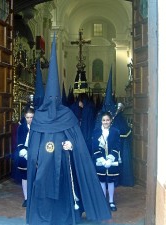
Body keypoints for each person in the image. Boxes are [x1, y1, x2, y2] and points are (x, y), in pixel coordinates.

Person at [26, 34, 111, 225]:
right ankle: (43, 217)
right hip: (44, 166)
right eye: (51, 99)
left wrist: (70, 144)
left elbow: (77, 141)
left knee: (64, 190)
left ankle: (65, 216)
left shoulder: (67, 115)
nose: (54, 103)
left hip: (64, 164)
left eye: (56, 99)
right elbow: (33, 146)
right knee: (43, 190)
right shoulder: (39, 116)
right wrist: (36, 158)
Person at [92, 112, 121, 212]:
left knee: (111, 181)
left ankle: (111, 201)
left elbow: (117, 146)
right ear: (101, 121)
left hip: (111, 161)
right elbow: (95, 147)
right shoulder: (96, 132)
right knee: (102, 180)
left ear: (110, 120)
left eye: (107, 120)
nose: (105, 122)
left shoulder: (115, 131)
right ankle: (103, 201)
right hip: (101, 161)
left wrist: (110, 159)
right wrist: (102, 160)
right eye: (104, 120)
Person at [15, 107, 34, 207]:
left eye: (31, 117)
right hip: (24, 153)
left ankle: (34, 197)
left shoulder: (38, 127)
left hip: (35, 154)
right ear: (25, 117)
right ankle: (26, 198)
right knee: (25, 177)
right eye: (27, 117)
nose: (29, 120)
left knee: (35, 176)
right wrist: (23, 151)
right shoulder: (21, 127)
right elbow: (19, 141)